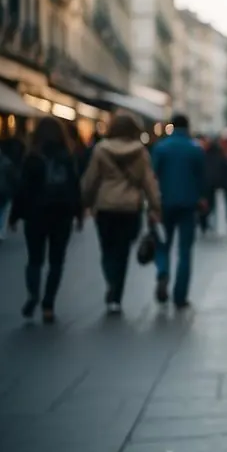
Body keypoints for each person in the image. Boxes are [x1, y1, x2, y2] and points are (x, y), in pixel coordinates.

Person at [81, 114, 161, 314]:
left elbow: (91, 180)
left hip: (105, 206)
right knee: (123, 251)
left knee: (107, 249)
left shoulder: (101, 150)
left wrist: (85, 201)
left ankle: (111, 282)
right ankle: (116, 294)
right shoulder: (140, 152)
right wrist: (155, 206)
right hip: (130, 207)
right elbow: (148, 182)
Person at [8, 118, 82, 322]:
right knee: (56, 261)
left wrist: (14, 216)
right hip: (61, 215)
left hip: (35, 215)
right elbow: (74, 187)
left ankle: (33, 294)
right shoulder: (67, 156)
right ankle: (48, 304)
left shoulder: (32, 157)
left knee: (34, 259)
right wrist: (79, 213)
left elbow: (22, 190)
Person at [151, 114, 206, 308]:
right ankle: (180, 296)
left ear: (171, 126)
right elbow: (202, 178)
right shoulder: (196, 149)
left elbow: (153, 176)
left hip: (164, 203)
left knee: (163, 245)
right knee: (185, 251)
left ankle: (163, 271)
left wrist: (152, 203)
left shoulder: (161, 147)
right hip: (188, 205)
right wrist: (202, 198)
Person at [201, 137, 227, 233]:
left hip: (206, 183)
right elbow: (225, 169)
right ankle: (209, 218)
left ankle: (204, 221)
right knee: (212, 203)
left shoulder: (204, 154)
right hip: (216, 183)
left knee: (206, 202)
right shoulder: (220, 155)